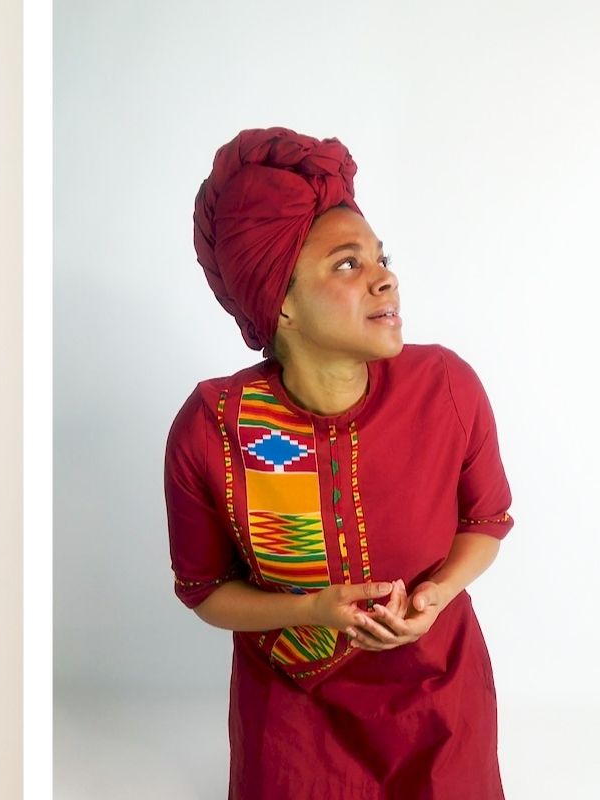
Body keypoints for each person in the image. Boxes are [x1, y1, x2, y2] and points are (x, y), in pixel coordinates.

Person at [164, 127, 515, 799]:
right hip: (295, 718)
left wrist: (436, 595)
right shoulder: (214, 430)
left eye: (381, 258)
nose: (386, 276)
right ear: (283, 302)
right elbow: (206, 591)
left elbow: (486, 520)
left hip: (438, 700)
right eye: (348, 264)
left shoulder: (446, 387)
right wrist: (313, 609)